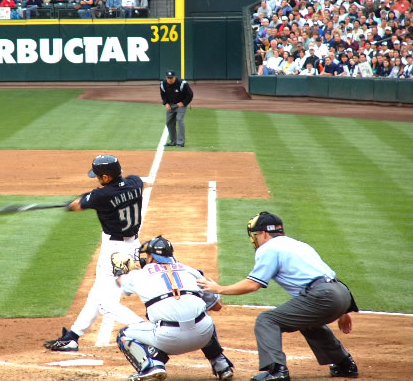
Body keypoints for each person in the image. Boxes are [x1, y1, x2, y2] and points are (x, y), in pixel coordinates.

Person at [198, 211, 359, 381]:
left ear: (264, 233)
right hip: (341, 293)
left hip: (324, 295)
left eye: (256, 234)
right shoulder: (299, 244)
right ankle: (344, 364)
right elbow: (324, 275)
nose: (255, 239)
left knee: (267, 320)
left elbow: (253, 284)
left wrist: (220, 289)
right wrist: (343, 311)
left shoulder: (268, 248)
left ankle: (277, 371)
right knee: (309, 322)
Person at [44, 155, 145, 352]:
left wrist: (72, 203)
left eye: (98, 176)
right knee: (96, 293)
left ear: (106, 177)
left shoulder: (101, 196)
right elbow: (133, 182)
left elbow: (77, 205)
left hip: (115, 253)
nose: (97, 179)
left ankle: (141, 327)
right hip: (132, 247)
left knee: (104, 302)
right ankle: (73, 336)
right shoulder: (134, 183)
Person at [114, 235, 235, 381]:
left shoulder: (140, 275)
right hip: (203, 335)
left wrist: (120, 272)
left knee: (123, 335)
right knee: (203, 315)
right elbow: (216, 306)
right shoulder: (190, 270)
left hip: (168, 339)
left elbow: (121, 282)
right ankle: (221, 365)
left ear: (152, 258)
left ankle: (153, 365)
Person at [160, 70, 193, 148]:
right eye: (168, 78)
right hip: (171, 104)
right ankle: (173, 141)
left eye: (171, 78)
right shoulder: (163, 84)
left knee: (179, 119)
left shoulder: (182, 84)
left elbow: (190, 94)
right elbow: (163, 94)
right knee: (169, 122)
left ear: (175, 77)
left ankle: (180, 142)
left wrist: (184, 103)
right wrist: (166, 103)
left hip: (180, 105)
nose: (170, 79)